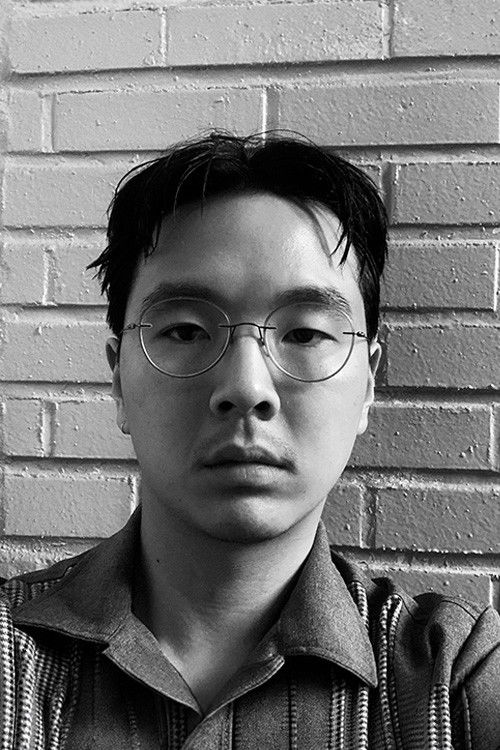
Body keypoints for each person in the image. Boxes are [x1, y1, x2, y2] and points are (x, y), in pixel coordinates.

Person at [1, 131, 499, 750]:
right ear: (119, 379)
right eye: (186, 331)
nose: (246, 387)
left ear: (368, 384)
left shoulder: (454, 679)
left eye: (305, 334)